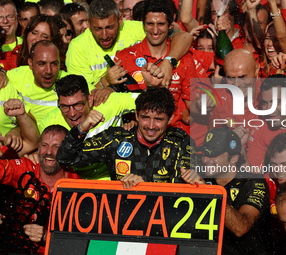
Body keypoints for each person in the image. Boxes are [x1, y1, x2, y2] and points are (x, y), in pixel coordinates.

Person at [56, 86, 192, 187]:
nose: (151, 126)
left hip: (162, 221)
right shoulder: (116, 138)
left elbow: (179, 191)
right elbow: (66, 157)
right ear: (136, 115)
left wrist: (144, 187)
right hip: (121, 220)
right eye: (145, 117)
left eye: (158, 119)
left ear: (170, 119)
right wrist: (81, 129)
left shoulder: (179, 141)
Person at [66, 0, 192, 88]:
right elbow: (79, 99)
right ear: (88, 23)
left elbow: (184, 37)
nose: (104, 36)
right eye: (98, 29)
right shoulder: (77, 48)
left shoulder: (137, 28)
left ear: (120, 19)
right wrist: (105, 82)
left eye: (110, 27)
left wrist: (169, 62)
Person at [115, 0, 196, 133]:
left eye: (161, 24)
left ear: (170, 24)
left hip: (175, 135)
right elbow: (116, 101)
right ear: (143, 24)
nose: (155, 30)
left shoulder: (185, 59)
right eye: (150, 24)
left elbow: (194, 107)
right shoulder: (124, 58)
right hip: (140, 136)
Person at [190, 126, 271, 255]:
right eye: (205, 154)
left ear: (234, 158)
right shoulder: (201, 177)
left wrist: (207, 190)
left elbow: (240, 227)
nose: (206, 160)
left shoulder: (253, 182)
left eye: (214, 155)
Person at [39, 74, 137, 180]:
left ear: (90, 100)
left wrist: (137, 124)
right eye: (65, 107)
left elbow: (150, 104)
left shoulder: (110, 102)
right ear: (58, 104)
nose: (72, 113)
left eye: (78, 105)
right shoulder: (49, 123)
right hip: (76, 182)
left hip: (117, 179)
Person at [0, 124, 80, 254]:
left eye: (56, 147)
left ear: (67, 150)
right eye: (44, 145)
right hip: (14, 248)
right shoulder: (26, 169)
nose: (49, 152)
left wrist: (46, 236)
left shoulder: (78, 184)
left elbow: (83, 242)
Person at [6, 40, 67, 125]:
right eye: (42, 64)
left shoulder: (69, 81)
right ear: (30, 63)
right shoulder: (17, 75)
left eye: (54, 64)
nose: (49, 71)